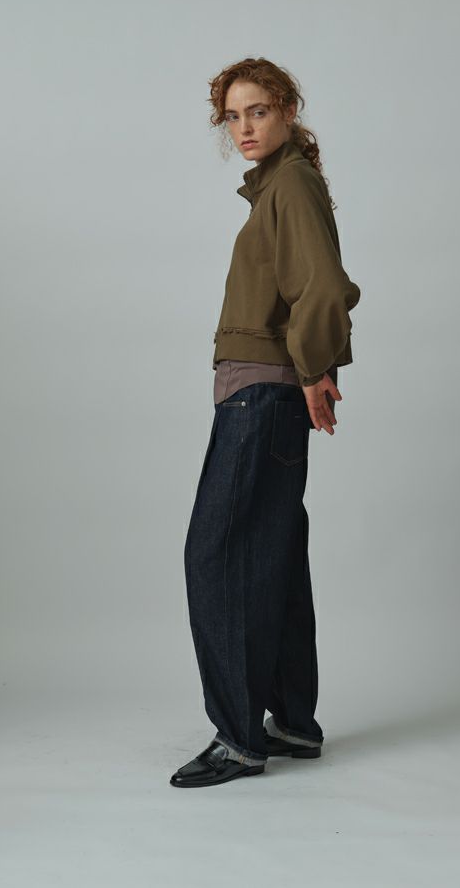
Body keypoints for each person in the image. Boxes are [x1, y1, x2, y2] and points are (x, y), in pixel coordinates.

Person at [170, 57, 361, 788]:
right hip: (263, 393)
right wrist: (313, 369)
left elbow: (323, 287)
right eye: (232, 116)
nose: (244, 127)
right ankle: (293, 723)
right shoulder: (281, 186)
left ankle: (240, 738)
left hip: (260, 395)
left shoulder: (290, 185)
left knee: (216, 556)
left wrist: (313, 369)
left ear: (287, 109)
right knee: (272, 555)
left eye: (257, 111)